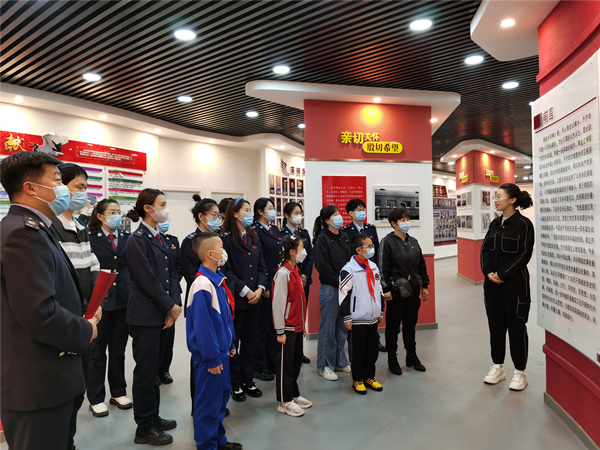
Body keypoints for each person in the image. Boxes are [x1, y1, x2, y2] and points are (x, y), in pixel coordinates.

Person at [0, 152, 97, 450]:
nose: (64, 188)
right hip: (37, 382)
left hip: (50, 376)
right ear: (30, 188)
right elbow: (39, 312)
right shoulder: (22, 233)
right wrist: (86, 329)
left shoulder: (36, 227)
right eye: (57, 180)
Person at [50, 163, 103, 450]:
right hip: (65, 319)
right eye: (79, 187)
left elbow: (91, 264)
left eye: (85, 187)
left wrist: (95, 304)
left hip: (85, 316)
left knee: (77, 388)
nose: (84, 194)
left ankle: (68, 441)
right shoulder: (50, 227)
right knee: (61, 392)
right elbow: (60, 277)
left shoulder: (80, 226)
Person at [126, 189, 182, 446]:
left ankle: (153, 417)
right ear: (148, 208)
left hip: (161, 313)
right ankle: (144, 427)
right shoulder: (137, 240)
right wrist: (168, 306)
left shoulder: (159, 237)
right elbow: (146, 279)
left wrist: (172, 305)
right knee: (146, 373)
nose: (165, 209)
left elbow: (171, 274)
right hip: (145, 316)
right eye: (162, 204)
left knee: (156, 373)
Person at [187, 232, 242, 450]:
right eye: (221, 247)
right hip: (210, 358)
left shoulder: (217, 280)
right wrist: (211, 358)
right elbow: (204, 327)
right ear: (210, 254)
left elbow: (224, 318)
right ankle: (207, 445)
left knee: (219, 400)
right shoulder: (202, 285)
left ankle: (219, 440)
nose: (224, 251)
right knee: (208, 404)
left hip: (221, 352)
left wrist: (230, 343)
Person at [480, 183, 534, 391]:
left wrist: (502, 274)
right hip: (492, 286)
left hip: (515, 285)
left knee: (517, 327)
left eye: (499, 196)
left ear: (512, 200)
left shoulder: (524, 224)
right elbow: (485, 250)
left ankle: (520, 371)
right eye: (495, 196)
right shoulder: (495, 223)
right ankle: (498, 366)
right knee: (495, 326)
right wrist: (488, 273)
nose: (495, 200)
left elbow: (524, 255)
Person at [87, 199, 133, 417]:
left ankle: (118, 392)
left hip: (123, 300)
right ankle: (96, 398)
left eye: (118, 211)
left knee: (118, 350)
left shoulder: (127, 237)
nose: (116, 215)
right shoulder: (90, 238)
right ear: (100, 216)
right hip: (100, 302)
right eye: (112, 212)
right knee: (97, 352)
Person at [220, 198, 268, 402]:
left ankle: (249, 380)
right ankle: (236, 383)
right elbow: (226, 271)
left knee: (251, 341)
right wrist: (246, 291)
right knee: (234, 343)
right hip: (238, 300)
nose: (250, 214)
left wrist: (260, 288)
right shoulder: (225, 239)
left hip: (255, 299)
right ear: (236, 214)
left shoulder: (253, 236)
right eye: (246, 210)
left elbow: (262, 267)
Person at [179, 195, 221, 411]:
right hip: (201, 300)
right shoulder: (190, 242)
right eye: (214, 215)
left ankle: (217, 401)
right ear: (201, 217)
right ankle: (200, 404)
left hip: (220, 302)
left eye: (219, 215)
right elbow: (191, 275)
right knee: (202, 353)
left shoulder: (218, 240)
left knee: (219, 350)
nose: (218, 219)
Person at [379, 207, 430, 376]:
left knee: (410, 325)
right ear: (393, 224)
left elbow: (421, 265)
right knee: (393, 327)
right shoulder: (387, 242)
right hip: (396, 292)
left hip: (413, 290)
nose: (406, 222)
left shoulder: (413, 241)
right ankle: (392, 359)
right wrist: (386, 289)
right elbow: (382, 268)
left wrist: (425, 285)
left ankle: (411, 356)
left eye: (407, 219)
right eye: (402, 220)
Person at [340, 234, 384, 395]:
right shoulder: (349, 269)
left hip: (372, 317)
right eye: (369, 246)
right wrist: (347, 316)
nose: (372, 248)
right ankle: (357, 379)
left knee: (372, 349)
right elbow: (344, 295)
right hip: (357, 317)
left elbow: (379, 290)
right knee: (358, 350)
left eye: (372, 245)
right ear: (359, 250)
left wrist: (380, 310)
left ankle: (369, 377)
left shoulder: (373, 266)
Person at [272, 235, 312, 417]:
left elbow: (300, 301)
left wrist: (302, 324)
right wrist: (280, 330)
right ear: (292, 252)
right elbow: (279, 304)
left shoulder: (296, 270)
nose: (304, 251)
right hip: (286, 328)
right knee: (285, 365)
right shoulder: (283, 273)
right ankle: (285, 401)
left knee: (295, 363)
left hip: (297, 326)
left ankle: (294, 394)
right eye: (302, 247)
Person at [341, 198, 386, 354]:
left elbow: (376, 250)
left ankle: (375, 341)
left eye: (363, 209)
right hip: (357, 273)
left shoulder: (371, 229)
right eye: (359, 210)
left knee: (373, 303)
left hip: (371, 272)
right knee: (358, 309)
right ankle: (354, 346)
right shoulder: (346, 230)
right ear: (351, 213)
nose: (362, 212)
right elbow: (348, 253)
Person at [313, 205, 352, 381]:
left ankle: (339, 361)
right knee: (328, 329)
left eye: (338, 213)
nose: (339, 216)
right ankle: (324, 366)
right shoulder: (322, 239)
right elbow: (323, 267)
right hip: (330, 288)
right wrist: (341, 281)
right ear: (327, 220)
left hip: (345, 288)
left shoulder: (344, 236)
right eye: (335, 214)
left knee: (342, 327)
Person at [252, 198, 282, 382]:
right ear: (260, 211)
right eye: (270, 208)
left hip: (277, 281)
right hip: (265, 283)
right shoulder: (255, 231)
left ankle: (272, 361)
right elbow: (259, 260)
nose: (273, 211)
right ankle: (259, 365)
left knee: (273, 325)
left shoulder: (275, 229)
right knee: (261, 327)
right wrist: (263, 284)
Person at [280, 201, 314, 363]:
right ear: (287, 215)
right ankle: (290, 351)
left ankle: (299, 352)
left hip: (303, 280)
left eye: (300, 212)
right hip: (290, 278)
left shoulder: (304, 233)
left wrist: (305, 275)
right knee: (290, 315)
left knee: (302, 314)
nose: (299, 215)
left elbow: (310, 255)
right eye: (296, 213)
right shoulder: (281, 234)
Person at [156, 220, 183, 385]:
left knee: (168, 338)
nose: (165, 222)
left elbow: (178, 268)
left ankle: (164, 370)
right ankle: (153, 371)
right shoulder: (143, 240)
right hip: (153, 295)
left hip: (171, 293)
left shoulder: (172, 241)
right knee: (154, 338)